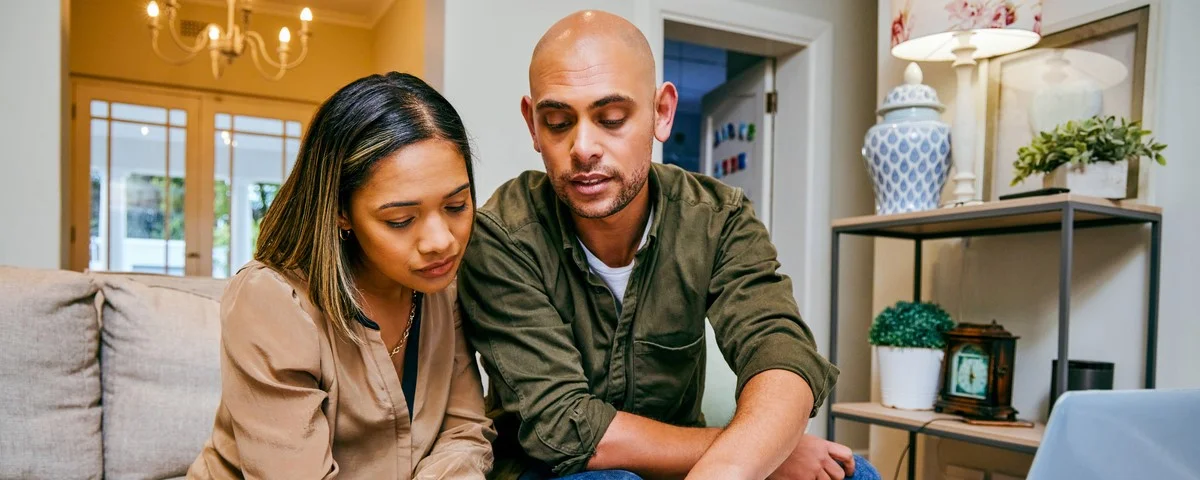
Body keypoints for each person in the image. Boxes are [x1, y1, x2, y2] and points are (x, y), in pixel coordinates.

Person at [457, 11, 881, 480]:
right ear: (532, 125)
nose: (583, 148)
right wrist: (762, 452)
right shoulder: (501, 234)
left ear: (662, 112)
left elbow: (780, 352)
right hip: (552, 468)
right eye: (558, 122)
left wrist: (739, 462)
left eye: (612, 118)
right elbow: (567, 427)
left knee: (854, 473)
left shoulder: (718, 217)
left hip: (686, 467)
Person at [188, 72, 495, 479]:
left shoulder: (443, 287)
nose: (442, 241)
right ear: (340, 211)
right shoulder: (272, 302)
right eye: (401, 219)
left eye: (456, 206)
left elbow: (465, 431)